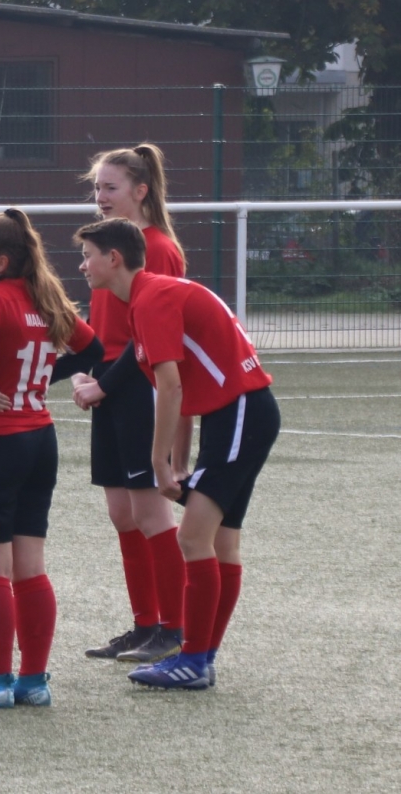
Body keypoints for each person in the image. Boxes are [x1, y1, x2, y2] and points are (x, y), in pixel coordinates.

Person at [72, 219, 277, 690]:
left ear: (113, 259)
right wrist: (179, 462)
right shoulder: (149, 297)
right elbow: (180, 385)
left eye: (87, 256)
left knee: (193, 538)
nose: (82, 266)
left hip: (240, 413)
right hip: (239, 414)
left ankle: (193, 659)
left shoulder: (151, 300)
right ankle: (200, 658)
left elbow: (170, 388)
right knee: (221, 544)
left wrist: (160, 462)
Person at [0, 210, 102, 708]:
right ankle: (34, 681)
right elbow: (92, 348)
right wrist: (42, 378)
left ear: (1, 262)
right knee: (30, 568)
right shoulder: (43, 299)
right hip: (39, 441)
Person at [75, 145, 193, 665]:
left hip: (138, 387)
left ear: (140, 191)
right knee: (123, 514)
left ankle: (175, 627)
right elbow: (104, 328)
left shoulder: (156, 248)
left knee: (150, 512)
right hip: (111, 384)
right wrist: (85, 367)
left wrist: (104, 384)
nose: (100, 196)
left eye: (111, 187)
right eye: (96, 187)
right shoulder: (107, 249)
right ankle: (146, 625)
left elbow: (151, 340)